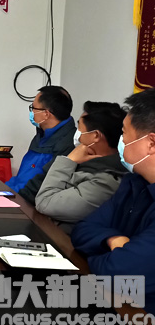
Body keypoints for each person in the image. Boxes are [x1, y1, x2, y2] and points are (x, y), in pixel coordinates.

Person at [72, 89, 155, 312]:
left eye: (124, 134)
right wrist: (112, 240)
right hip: (110, 302)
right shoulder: (133, 183)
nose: (121, 141)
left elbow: (119, 273)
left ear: (151, 143)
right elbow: (82, 229)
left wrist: (97, 253)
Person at [34, 101, 127, 233]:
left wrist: (68, 160)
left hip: (64, 241)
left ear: (95, 136)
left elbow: (45, 202)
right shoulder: (84, 160)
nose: (77, 134)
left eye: (80, 129)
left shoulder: (106, 180)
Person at [7, 86, 76, 203]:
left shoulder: (68, 144)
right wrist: (3, 190)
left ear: (46, 114)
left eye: (33, 108)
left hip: (27, 203)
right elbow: (22, 177)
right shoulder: (42, 134)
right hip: (15, 194)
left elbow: (39, 186)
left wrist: (9, 196)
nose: (31, 112)